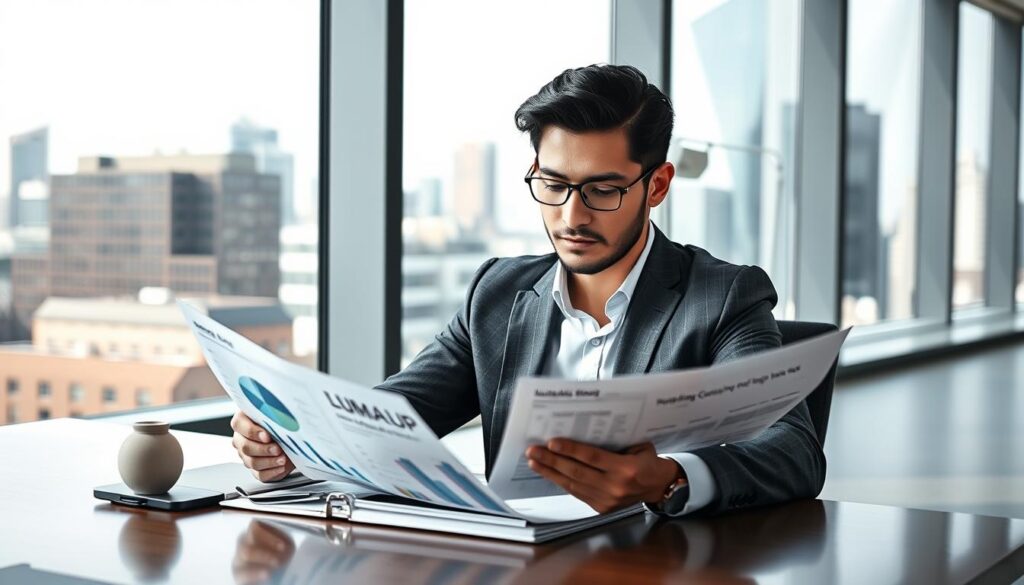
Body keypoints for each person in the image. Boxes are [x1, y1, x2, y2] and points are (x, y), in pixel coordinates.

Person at [230, 64, 825, 517]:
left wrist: (668, 478)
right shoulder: (498, 293)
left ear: (658, 185)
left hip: (657, 566)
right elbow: (393, 418)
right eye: (553, 184)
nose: (572, 216)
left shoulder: (723, 296)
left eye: (603, 190)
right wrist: (293, 438)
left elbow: (792, 449)